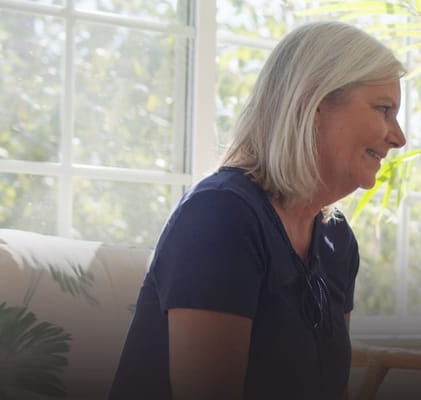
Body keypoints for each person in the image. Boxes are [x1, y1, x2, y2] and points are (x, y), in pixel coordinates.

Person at [110, 21, 405, 399]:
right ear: (312, 103)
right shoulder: (220, 216)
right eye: (384, 110)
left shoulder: (336, 239)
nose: (398, 137)